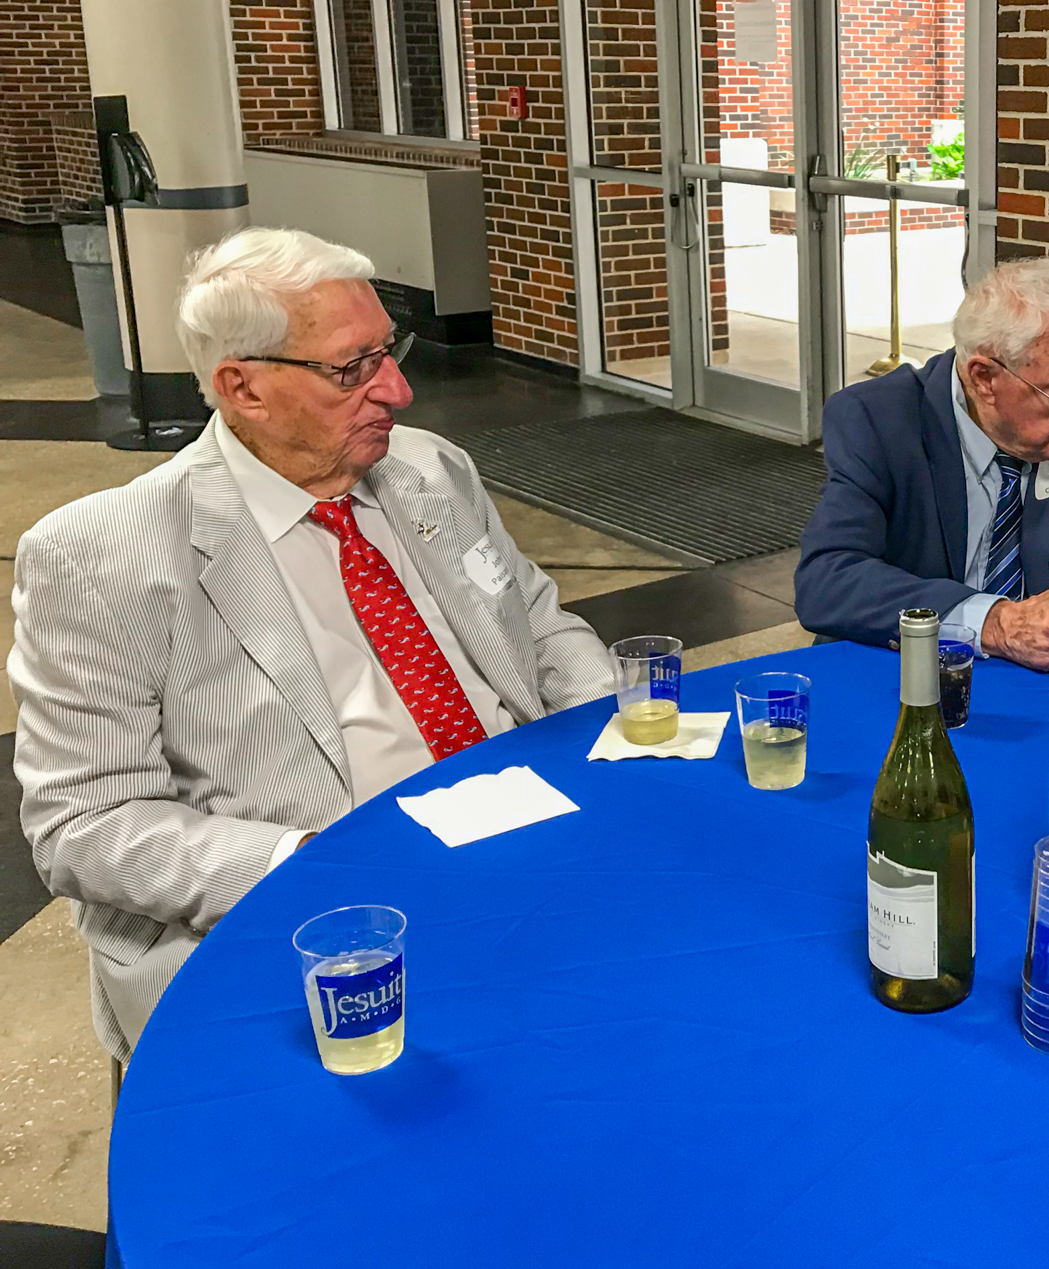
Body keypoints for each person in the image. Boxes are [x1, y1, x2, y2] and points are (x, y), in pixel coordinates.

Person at [8, 228, 615, 1061]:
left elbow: (539, 623)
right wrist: (313, 863)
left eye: (388, 351)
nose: (397, 390)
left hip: (530, 843)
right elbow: (84, 826)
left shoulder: (432, 470)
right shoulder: (100, 556)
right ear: (243, 388)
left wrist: (611, 748)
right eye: (352, 368)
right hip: (325, 926)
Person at [796, 256, 1049, 671]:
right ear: (984, 378)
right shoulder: (877, 419)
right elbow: (827, 580)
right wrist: (998, 623)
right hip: (906, 676)